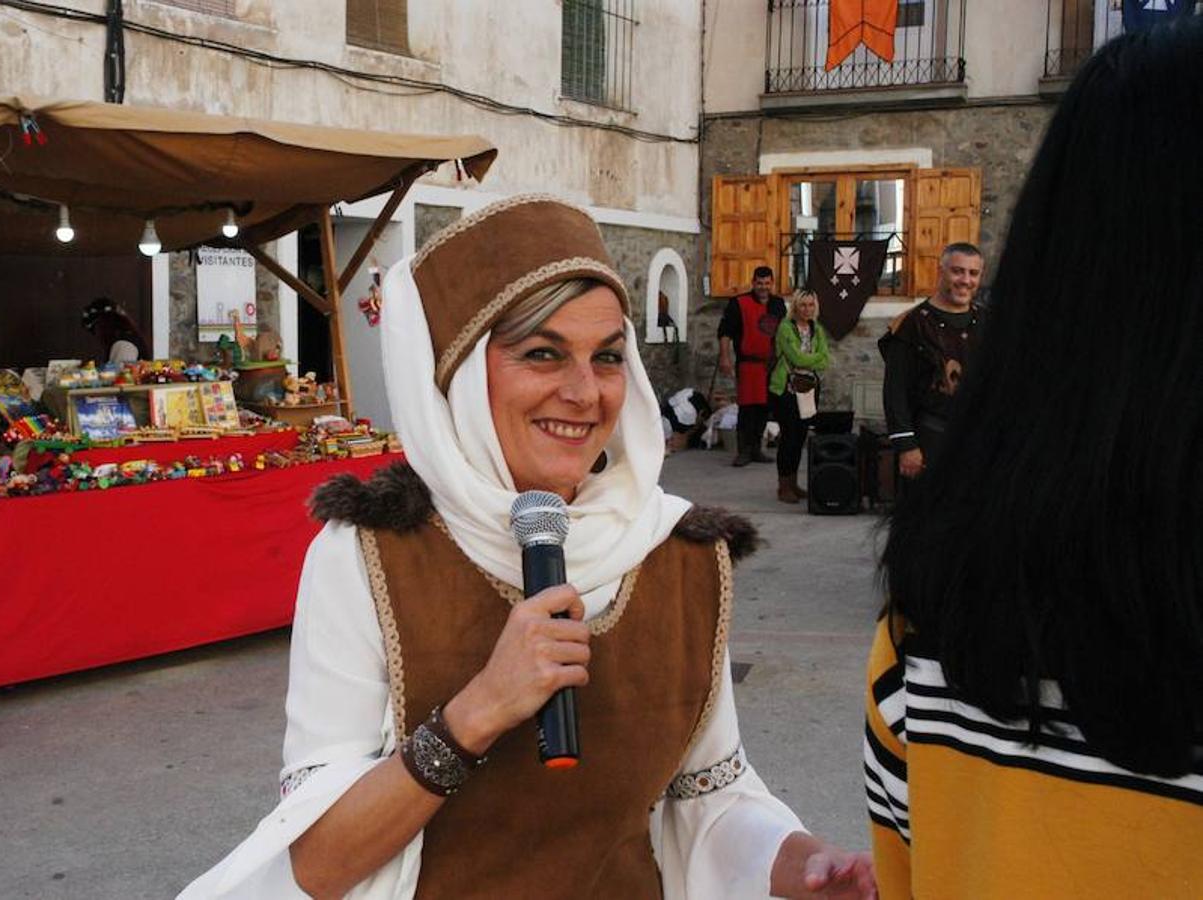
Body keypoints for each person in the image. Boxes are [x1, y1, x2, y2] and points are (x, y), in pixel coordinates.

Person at [180, 196, 874, 899]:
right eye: (542, 353)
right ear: (458, 375)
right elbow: (320, 863)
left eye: (606, 357)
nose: (584, 392)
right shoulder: (370, 556)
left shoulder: (677, 552)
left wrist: (800, 863)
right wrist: (478, 711)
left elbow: (708, 800)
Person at [866, 20, 1203, 900]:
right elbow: (903, 397)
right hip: (956, 467)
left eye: (979, 280)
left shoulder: (983, 334)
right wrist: (905, 450)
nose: (968, 289)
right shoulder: (912, 330)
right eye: (959, 277)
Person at [877, 244, 984, 481]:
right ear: (941, 271)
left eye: (973, 273)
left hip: (978, 440)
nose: (965, 280)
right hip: (930, 438)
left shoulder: (988, 323)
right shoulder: (911, 325)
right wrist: (906, 445)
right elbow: (895, 391)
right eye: (957, 271)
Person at [718, 266, 786, 467]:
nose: (763, 287)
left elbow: (784, 333)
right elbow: (725, 332)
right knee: (747, 407)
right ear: (753, 283)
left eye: (767, 283)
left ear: (771, 283)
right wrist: (725, 357)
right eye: (759, 283)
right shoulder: (739, 303)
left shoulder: (778, 304)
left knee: (765, 407)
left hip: (771, 364)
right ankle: (744, 451)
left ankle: (756, 449)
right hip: (748, 363)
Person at [767, 290, 829, 505]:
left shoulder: (817, 329)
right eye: (803, 305)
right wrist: (813, 358)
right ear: (795, 306)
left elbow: (825, 359)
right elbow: (796, 357)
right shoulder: (785, 328)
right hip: (785, 389)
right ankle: (783, 485)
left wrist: (810, 360)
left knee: (801, 435)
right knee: (789, 436)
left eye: (811, 305)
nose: (807, 309)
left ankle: (793, 482)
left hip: (808, 388)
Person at [80, 297, 147, 364]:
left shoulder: (123, 345)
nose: (97, 335)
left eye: (95, 329)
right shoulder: (126, 340)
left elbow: (121, 372)